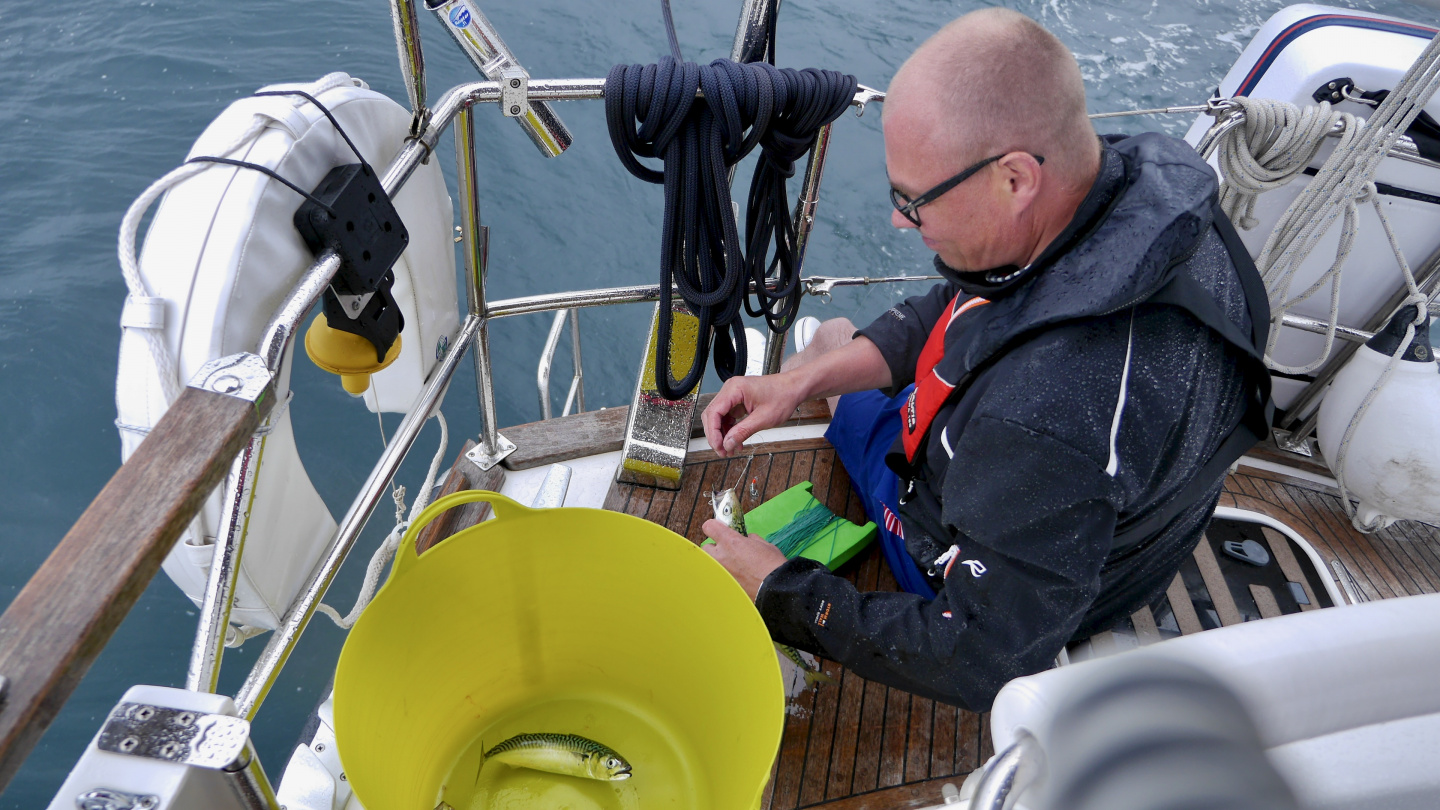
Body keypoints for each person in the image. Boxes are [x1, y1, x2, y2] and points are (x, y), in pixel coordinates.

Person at [699, 8, 1270, 711]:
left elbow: (977, 653)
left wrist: (778, 589)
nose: (898, 221)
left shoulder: (1046, 414)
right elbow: (965, 302)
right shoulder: (1136, 202)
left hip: (1008, 572)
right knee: (827, 352)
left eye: (914, 199)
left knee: (831, 337)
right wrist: (797, 384)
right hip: (1121, 539)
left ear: (1015, 179)